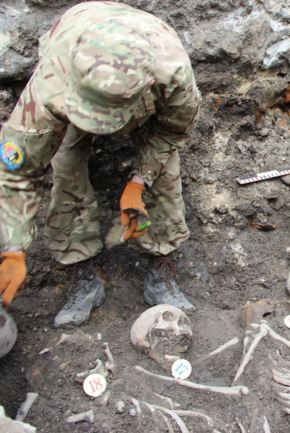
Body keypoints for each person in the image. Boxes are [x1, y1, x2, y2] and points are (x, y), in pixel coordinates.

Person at [0, 1, 201, 326]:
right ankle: (84, 275)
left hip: (148, 94)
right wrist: (13, 247)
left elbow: (172, 131)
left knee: (166, 172)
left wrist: (139, 182)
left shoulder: (173, 73)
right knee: (66, 166)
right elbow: (15, 170)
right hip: (72, 54)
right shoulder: (52, 80)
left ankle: (162, 271)